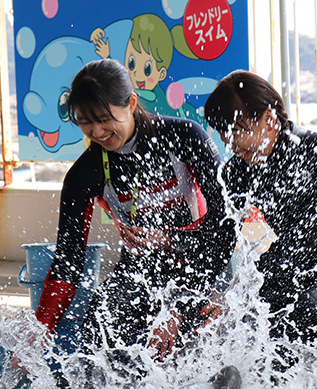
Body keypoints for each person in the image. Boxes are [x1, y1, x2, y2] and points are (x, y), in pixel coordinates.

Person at [35, 59, 236, 359]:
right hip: (141, 270)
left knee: (194, 335)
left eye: (105, 119)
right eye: (85, 122)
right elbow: (69, 259)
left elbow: (226, 225)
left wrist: (177, 305)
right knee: (99, 323)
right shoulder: (84, 174)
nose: (97, 131)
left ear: (130, 103)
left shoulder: (185, 136)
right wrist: (40, 329)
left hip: (203, 260)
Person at [204, 71, 317, 342]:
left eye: (237, 131)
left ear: (270, 119)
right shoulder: (238, 171)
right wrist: (206, 294)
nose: (230, 144)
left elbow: (302, 241)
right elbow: (218, 238)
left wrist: (240, 294)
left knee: (286, 312)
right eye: (222, 134)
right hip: (294, 270)